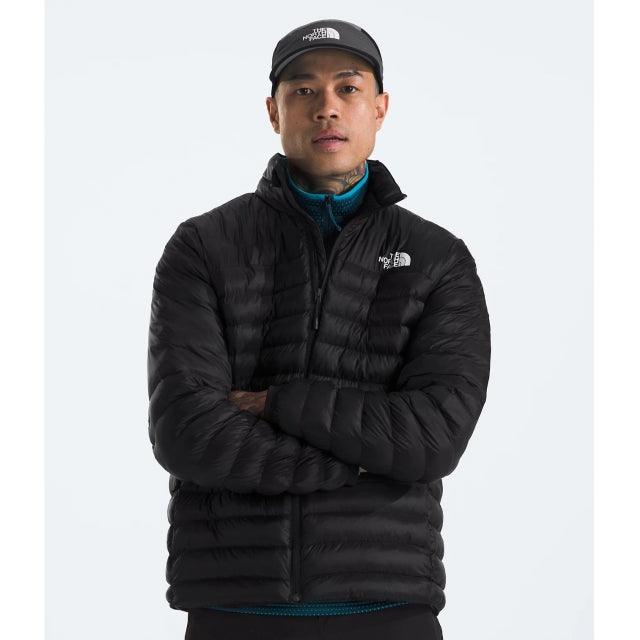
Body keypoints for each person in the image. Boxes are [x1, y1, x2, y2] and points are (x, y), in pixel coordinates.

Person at [147, 18, 491, 640]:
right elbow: (186, 432)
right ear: (273, 112)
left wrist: (276, 404)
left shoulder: (438, 258)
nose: (326, 107)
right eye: (303, 90)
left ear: (379, 108)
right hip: (234, 610)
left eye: (348, 88)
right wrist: (363, 465)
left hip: (389, 609)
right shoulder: (202, 247)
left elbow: (434, 439)